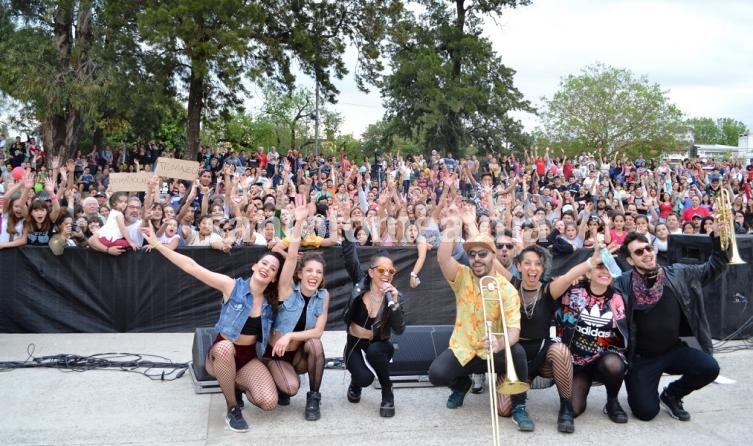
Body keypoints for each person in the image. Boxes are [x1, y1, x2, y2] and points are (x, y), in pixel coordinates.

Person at [141, 227, 283, 433]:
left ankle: (234, 384)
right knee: (225, 348)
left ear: (274, 278)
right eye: (264, 263)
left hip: (248, 357)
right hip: (221, 352)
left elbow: (291, 278)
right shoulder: (231, 286)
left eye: (272, 269)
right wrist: (157, 245)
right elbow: (192, 267)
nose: (267, 268)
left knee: (269, 402)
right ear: (254, 266)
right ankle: (232, 407)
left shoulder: (271, 303)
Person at [428, 210, 529, 430]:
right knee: (436, 374)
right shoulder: (462, 275)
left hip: (494, 350)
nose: (476, 259)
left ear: (493, 256)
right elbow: (442, 257)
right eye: (472, 254)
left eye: (482, 254)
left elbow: (514, 330)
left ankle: (520, 407)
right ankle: (462, 383)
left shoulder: (507, 290)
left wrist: (500, 343)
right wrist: (454, 225)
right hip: (466, 348)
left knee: (518, 353)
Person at [615, 231, 727, 422]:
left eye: (648, 248)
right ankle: (639, 387)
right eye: (639, 252)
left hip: (674, 349)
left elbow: (714, 267)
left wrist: (717, 238)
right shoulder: (622, 283)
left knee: (709, 367)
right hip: (642, 359)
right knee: (646, 412)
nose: (647, 254)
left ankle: (672, 395)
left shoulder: (678, 274)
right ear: (630, 260)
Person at [550, 247, 629, 423]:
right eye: (600, 266)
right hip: (577, 360)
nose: (605, 271)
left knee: (614, 364)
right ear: (588, 272)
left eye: (609, 267)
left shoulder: (620, 298)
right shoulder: (571, 292)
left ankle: (612, 401)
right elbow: (549, 285)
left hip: (605, 357)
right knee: (574, 409)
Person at [267, 201, 329, 421]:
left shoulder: (323, 296)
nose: (314, 275)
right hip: (277, 355)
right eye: (309, 271)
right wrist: (300, 220)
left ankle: (314, 398)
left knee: (315, 344)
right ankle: (279, 381)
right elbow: (292, 257)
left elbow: (318, 332)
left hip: (299, 356)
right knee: (290, 389)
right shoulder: (286, 290)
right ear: (300, 274)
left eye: (318, 272)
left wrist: (291, 335)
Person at [341, 227, 406, 417]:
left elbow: (399, 329)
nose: (386, 274)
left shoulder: (395, 296)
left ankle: (387, 391)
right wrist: (346, 228)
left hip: (379, 345)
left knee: (375, 350)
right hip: (354, 344)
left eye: (390, 271)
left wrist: (394, 303)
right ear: (370, 272)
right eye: (381, 270)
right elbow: (349, 256)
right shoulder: (360, 285)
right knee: (364, 378)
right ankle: (356, 381)